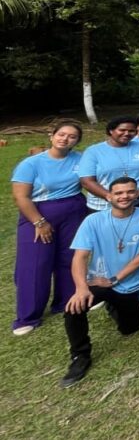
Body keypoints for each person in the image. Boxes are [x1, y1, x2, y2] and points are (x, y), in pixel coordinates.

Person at [60, 177, 139, 387]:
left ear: (137, 193)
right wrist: (81, 289)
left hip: (133, 283)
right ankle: (80, 356)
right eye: (119, 193)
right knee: (73, 308)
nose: (125, 196)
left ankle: (115, 307)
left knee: (129, 329)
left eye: (130, 192)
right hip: (99, 280)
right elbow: (79, 257)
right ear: (109, 195)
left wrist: (115, 279)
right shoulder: (93, 221)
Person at [11, 119, 88, 336]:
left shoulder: (80, 159)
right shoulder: (32, 163)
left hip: (73, 209)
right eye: (62, 134)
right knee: (35, 262)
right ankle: (28, 316)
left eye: (72, 136)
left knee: (69, 257)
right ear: (52, 135)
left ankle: (65, 300)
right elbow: (20, 196)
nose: (66, 139)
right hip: (39, 213)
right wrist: (39, 222)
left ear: (77, 141)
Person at [79, 116, 139, 212]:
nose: (127, 133)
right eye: (122, 130)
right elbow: (87, 181)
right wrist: (110, 196)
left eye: (131, 131)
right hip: (104, 206)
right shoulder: (93, 151)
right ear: (111, 131)